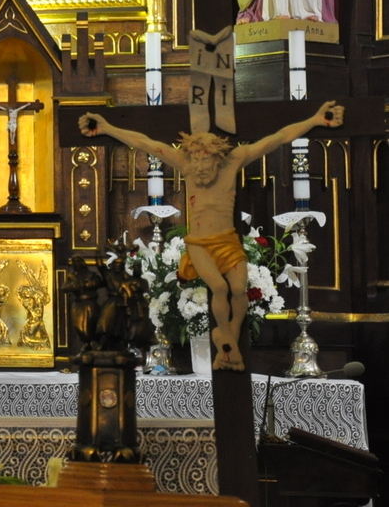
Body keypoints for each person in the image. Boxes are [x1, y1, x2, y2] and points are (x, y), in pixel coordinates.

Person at [79, 100, 344, 369]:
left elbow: (277, 138)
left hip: (227, 240)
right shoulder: (185, 165)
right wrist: (107, 127)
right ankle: (226, 342)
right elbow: (145, 143)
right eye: (196, 160)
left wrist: (315, 120)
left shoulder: (233, 162)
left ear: (218, 157)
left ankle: (228, 340)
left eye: (206, 160)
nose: (200, 167)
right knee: (219, 287)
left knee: (239, 290)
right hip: (199, 244)